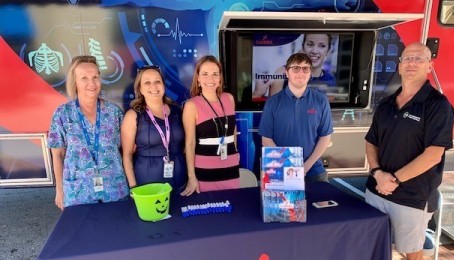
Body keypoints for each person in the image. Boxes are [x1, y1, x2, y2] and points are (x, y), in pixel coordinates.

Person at [364, 42, 454, 260]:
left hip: (413, 196)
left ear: (430, 65)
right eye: (407, 59)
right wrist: (378, 173)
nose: (412, 63)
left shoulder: (438, 105)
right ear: (399, 65)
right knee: (374, 246)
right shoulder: (388, 104)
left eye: (419, 58)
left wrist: (396, 179)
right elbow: (370, 142)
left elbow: (433, 154)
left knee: (411, 251)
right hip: (377, 189)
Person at [48, 55, 129, 210]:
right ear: (75, 82)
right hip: (78, 192)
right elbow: (57, 154)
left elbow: (125, 150)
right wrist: (60, 190)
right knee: (81, 233)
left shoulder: (114, 112)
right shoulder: (62, 114)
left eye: (95, 77)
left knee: (116, 232)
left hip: (114, 189)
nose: (91, 83)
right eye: (84, 78)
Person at [258, 52, 333, 182]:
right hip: (281, 169)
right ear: (287, 73)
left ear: (310, 73)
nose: (301, 73)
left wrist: (305, 167)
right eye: (296, 68)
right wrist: (289, 167)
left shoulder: (321, 101)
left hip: (313, 170)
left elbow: (325, 138)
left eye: (305, 69)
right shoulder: (272, 102)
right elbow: (266, 140)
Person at [181, 55, 240, 196]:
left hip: (230, 167)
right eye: (205, 74)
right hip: (205, 170)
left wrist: (236, 153)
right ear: (198, 79)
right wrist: (192, 177)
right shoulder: (191, 105)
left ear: (220, 79)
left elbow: (232, 130)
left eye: (215, 74)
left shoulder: (229, 99)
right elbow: (189, 144)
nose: (210, 79)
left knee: (233, 208)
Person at [121, 65, 186, 192]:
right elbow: (127, 156)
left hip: (180, 185)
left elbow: (185, 146)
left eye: (157, 81)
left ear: (163, 85)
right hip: (148, 189)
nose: (153, 86)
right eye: (147, 83)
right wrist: (134, 188)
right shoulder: (133, 115)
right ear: (140, 89)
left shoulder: (177, 111)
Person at [253, 33, 335, 98]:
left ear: (328, 50)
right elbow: (272, 111)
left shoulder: (332, 81)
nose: (315, 51)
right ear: (303, 47)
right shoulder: (282, 72)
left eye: (322, 46)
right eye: (310, 44)